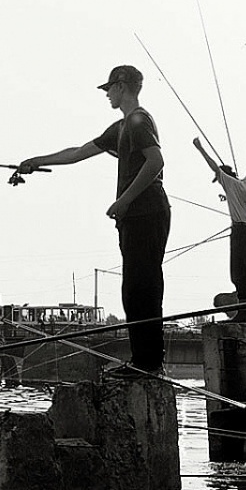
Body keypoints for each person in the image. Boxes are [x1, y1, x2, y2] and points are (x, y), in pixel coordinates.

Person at [18, 64, 169, 378]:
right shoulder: (121, 126)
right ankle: (144, 361)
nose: (107, 95)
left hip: (147, 213)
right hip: (134, 216)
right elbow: (78, 153)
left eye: (109, 89)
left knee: (144, 288)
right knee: (133, 290)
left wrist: (124, 199)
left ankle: (149, 364)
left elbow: (156, 161)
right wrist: (37, 161)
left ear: (122, 85)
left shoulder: (139, 121)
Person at [192, 123, 246, 321]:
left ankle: (245, 311)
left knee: (238, 274)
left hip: (240, 231)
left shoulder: (229, 183)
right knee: (245, 273)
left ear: (224, 177)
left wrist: (200, 148)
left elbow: (214, 166)